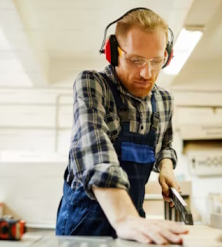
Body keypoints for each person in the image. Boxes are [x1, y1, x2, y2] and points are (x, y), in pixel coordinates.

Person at [56, 7, 188, 245]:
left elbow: (165, 145)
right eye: (136, 60)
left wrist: (166, 167)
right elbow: (93, 143)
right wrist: (124, 217)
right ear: (113, 53)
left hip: (132, 219)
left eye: (156, 61)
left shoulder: (164, 100)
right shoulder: (93, 84)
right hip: (84, 224)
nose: (147, 73)